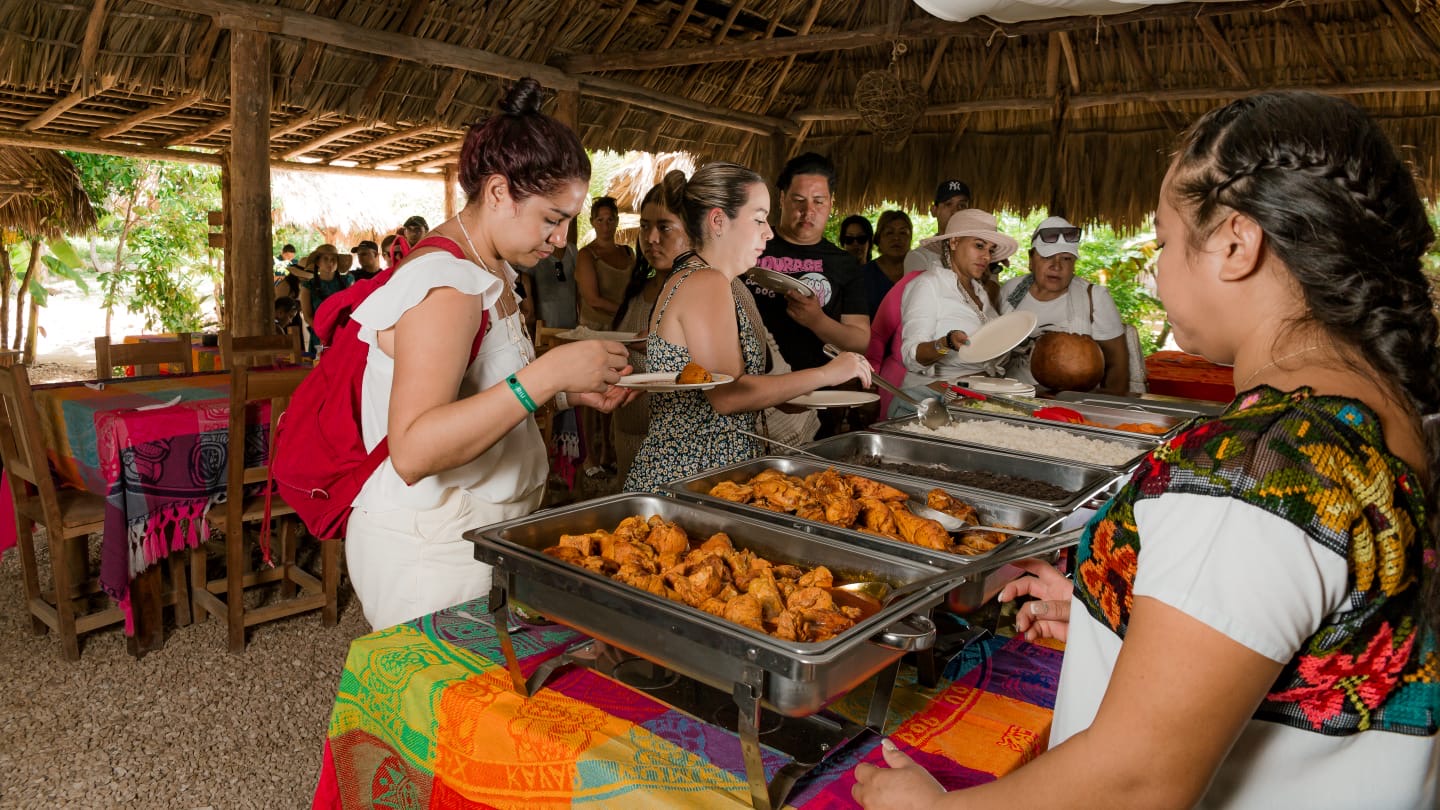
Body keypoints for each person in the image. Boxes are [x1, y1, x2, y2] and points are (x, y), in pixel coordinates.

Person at [853, 91, 1440, 808]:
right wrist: (1123, 626)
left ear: (1235, 243)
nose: (1159, 269)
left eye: (1163, 241)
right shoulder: (1389, 417)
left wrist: (930, 809)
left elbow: (1137, 782)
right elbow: (1313, 647)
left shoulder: (1257, 468)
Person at [344, 77, 633, 630]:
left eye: (568, 220)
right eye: (553, 218)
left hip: (478, 533)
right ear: (499, 192)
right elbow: (413, 450)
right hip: (433, 551)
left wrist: (566, 387)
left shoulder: (490, 267)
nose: (562, 240)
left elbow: (477, 392)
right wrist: (544, 377)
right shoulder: (447, 285)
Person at [624, 164, 872, 494]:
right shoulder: (705, 282)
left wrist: (798, 394)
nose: (769, 233)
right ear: (718, 221)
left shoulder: (710, 280)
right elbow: (728, 396)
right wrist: (827, 373)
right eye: (758, 219)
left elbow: (737, 388)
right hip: (689, 476)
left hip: (706, 475)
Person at [746, 152, 870, 373]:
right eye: (799, 200)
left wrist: (817, 321)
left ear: (832, 203)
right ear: (782, 199)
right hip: (751, 383)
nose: (808, 211)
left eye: (819, 201)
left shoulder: (845, 264)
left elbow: (860, 341)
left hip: (818, 389)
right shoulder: (751, 247)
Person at [895, 209, 1017, 413]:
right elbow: (912, 356)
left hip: (972, 402)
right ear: (954, 243)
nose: (986, 256)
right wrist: (945, 343)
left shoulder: (979, 291)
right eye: (979, 245)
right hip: (929, 405)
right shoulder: (928, 285)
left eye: (991, 249)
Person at [610, 182, 691, 482]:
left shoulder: (704, 294)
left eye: (664, 227)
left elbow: (726, 374)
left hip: (678, 454)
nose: (651, 238)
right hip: (628, 442)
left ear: (692, 230)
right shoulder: (635, 294)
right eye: (645, 226)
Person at [1001, 217, 1129, 393]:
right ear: (1031, 259)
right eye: (1047, 257)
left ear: (1074, 264)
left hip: (1071, 402)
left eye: (1066, 259)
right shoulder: (1011, 292)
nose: (1056, 266)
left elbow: (1117, 366)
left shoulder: (1095, 298)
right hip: (1012, 396)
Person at [575, 196, 635, 329]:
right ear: (592, 222)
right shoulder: (587, 255)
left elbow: (636, 290)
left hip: (624, 326)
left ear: (617, 221)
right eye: (600, 220)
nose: (605, 226)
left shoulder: (628, 252)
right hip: (595, 329)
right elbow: (593, 300)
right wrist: (627, 311)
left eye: (610, 220)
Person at [903, 179, 971, 274]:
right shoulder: (919, 256)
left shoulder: (980, 252)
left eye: (962, 205)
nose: (955, 211)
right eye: (948, 204)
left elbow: (992, 287)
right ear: (934, 211)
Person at [298, 244, 353, 354]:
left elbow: (352, 308)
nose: (330, 262)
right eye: (326, 259)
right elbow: (307, 316)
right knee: (320, 365)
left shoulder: (347, 281)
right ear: (318, 262)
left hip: (343, 334)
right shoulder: (308, 286)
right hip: (319, 336)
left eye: (333, 259)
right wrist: (324, 331)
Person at [860, 210, 912, 318]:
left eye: (903, 233)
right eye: (889, 232)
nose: (896, 238)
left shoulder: (920, 273)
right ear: (879, 239)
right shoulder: (862, 275)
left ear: (910, 238)